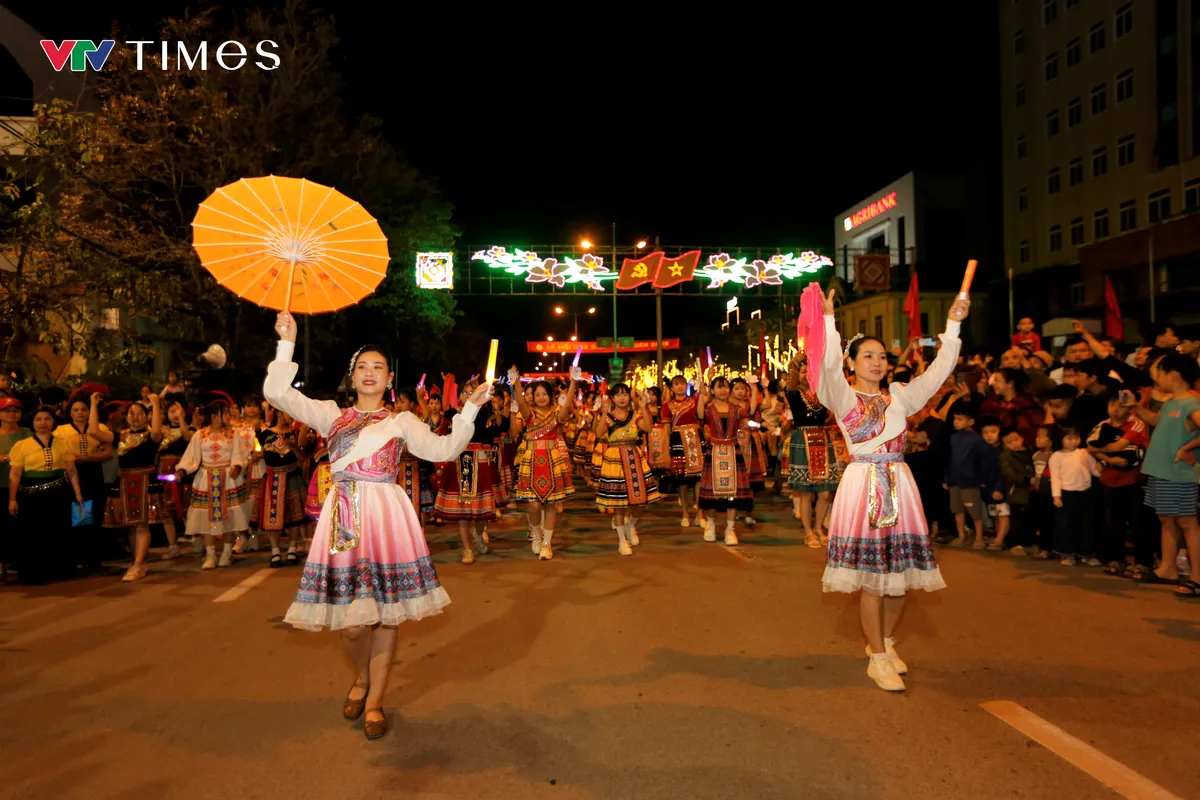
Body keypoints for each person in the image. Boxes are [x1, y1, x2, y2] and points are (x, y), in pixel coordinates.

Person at [265, 312, 491, 740]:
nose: (370, 373)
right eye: (362, 367)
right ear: (352, 377)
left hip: (387, 515)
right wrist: (287, 341)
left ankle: (374, 701)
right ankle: (362, 676)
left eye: (378, 367)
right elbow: (276, 392)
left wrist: (471, 408)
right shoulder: (330, 415)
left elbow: (445, 450)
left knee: (386, 615)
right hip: (344, 515)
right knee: (352, 625)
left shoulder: (401, 421)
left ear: (389, 379)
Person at [813, 282, 969, 693]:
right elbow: (827, 367)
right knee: (872, 579)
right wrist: (829, 321)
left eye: (882, 356)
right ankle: (877, 658)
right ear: (851, 362)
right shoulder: (842, 398)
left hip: (900, 485)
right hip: (862, 485)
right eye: (868, 355)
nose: (878, 362)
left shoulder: (900, 397)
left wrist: (953, 326)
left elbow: (939, 372)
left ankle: (884, 642)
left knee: (901, 578)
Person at [1124, 353, 1200, 596]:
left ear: (1173, 375)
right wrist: (1136, 407)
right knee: (1166, 519)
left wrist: (1187, 448)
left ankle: (1197, 578)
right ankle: (1167, 568)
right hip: (1162, 472)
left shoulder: (1191, 402)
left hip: (1178, 474)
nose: (1156, 379)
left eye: (1159, 373)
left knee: (1187, 523)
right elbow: (1156, 420)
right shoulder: (1171, 402)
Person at [100, 395, 175, 582]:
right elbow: (94, 431)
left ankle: (138, 563)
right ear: (126, 417)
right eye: (131, 413)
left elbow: (156, 431)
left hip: (145, 481)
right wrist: (93, 405)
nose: (135, 417)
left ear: (147, 416)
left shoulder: (151, 436)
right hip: (125, 481)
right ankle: (138, 562)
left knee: (141, 524)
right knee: (132, 526)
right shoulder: (121, 436)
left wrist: (155, 404)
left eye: (140, 413)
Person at [7, 406, 85, 584]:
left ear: (53, 422)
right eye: (38, 419)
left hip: (59, 493)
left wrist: (78, 493)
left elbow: (71, 470)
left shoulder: (63, 442)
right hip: (31, 496)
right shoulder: (22, 445)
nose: (43, 423)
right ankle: (34, 574)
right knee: (33, 535)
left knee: (58, 531)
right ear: (33, 423)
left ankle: (60, 571)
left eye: (47, 419)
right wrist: (12, 499)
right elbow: (15, 474)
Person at [511, 366, 579, 560]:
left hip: (551, 459)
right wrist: (516, 381)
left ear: (551, 396)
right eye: (537, 394)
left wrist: (574, 381)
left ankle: (547, 545)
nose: (541, 397)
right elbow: (520, 401)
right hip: (532, 460)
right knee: (533, 505)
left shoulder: (557, 414)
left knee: (551, 504)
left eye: (544, 394)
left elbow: (568, 404)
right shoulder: (529, 414)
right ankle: (536, 536)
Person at [175, 395, 250, 569]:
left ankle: (226, 553)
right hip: (206, 478)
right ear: (215, 415)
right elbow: (191, 457)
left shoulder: (233, 434)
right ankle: (210, 555)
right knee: (206, 518)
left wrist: (237, 466)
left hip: (228, 478)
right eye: (226, 413)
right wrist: (182, 469)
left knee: (230, 517)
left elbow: (240, 454)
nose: (229, 416)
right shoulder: (200, 435)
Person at [783, 354, 842, 547]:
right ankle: (808, 532)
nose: (806, 375)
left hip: (822, 441)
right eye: (803, 372)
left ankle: (819, 529)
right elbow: (791, 382)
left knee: (825, 492)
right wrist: (795, 363)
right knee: (806, 492)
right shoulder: (793, 394)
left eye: (810, 372)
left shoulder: (822, 393)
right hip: (802, 440)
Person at [593, 385, 660, 555]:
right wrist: (603, 413)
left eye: (624, 395)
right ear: (612, 398)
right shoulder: (608, 417)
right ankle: (622, 541)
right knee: (619, 504)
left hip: (634, 457)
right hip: (615, 459)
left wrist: (643, 406)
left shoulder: (634, 415)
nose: (622, 398)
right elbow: (599, 434)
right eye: (618, 395)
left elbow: (648, 428)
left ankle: (631, 525)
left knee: (642, 499)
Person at [696, 376, 754, 546]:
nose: (723, 390)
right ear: (712, 390)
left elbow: (748, 420)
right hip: (714, 452)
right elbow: (699, 415)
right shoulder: (708, 409)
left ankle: (730, 529)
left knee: (733, 495)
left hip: (733, 452)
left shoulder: (737, 409)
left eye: (726, 387)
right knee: (712, 495)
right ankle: (711, 525)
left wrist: (759, 426)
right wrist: (701, 395)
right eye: (719, 387)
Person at [0, 397, 31, 582]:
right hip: (1, 484)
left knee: (19, 526)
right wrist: (5, 458)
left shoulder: (27, 433)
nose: (12, 414)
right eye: (7, 410)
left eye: (16, 410)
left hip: (22, 486)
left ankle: (21, 564)